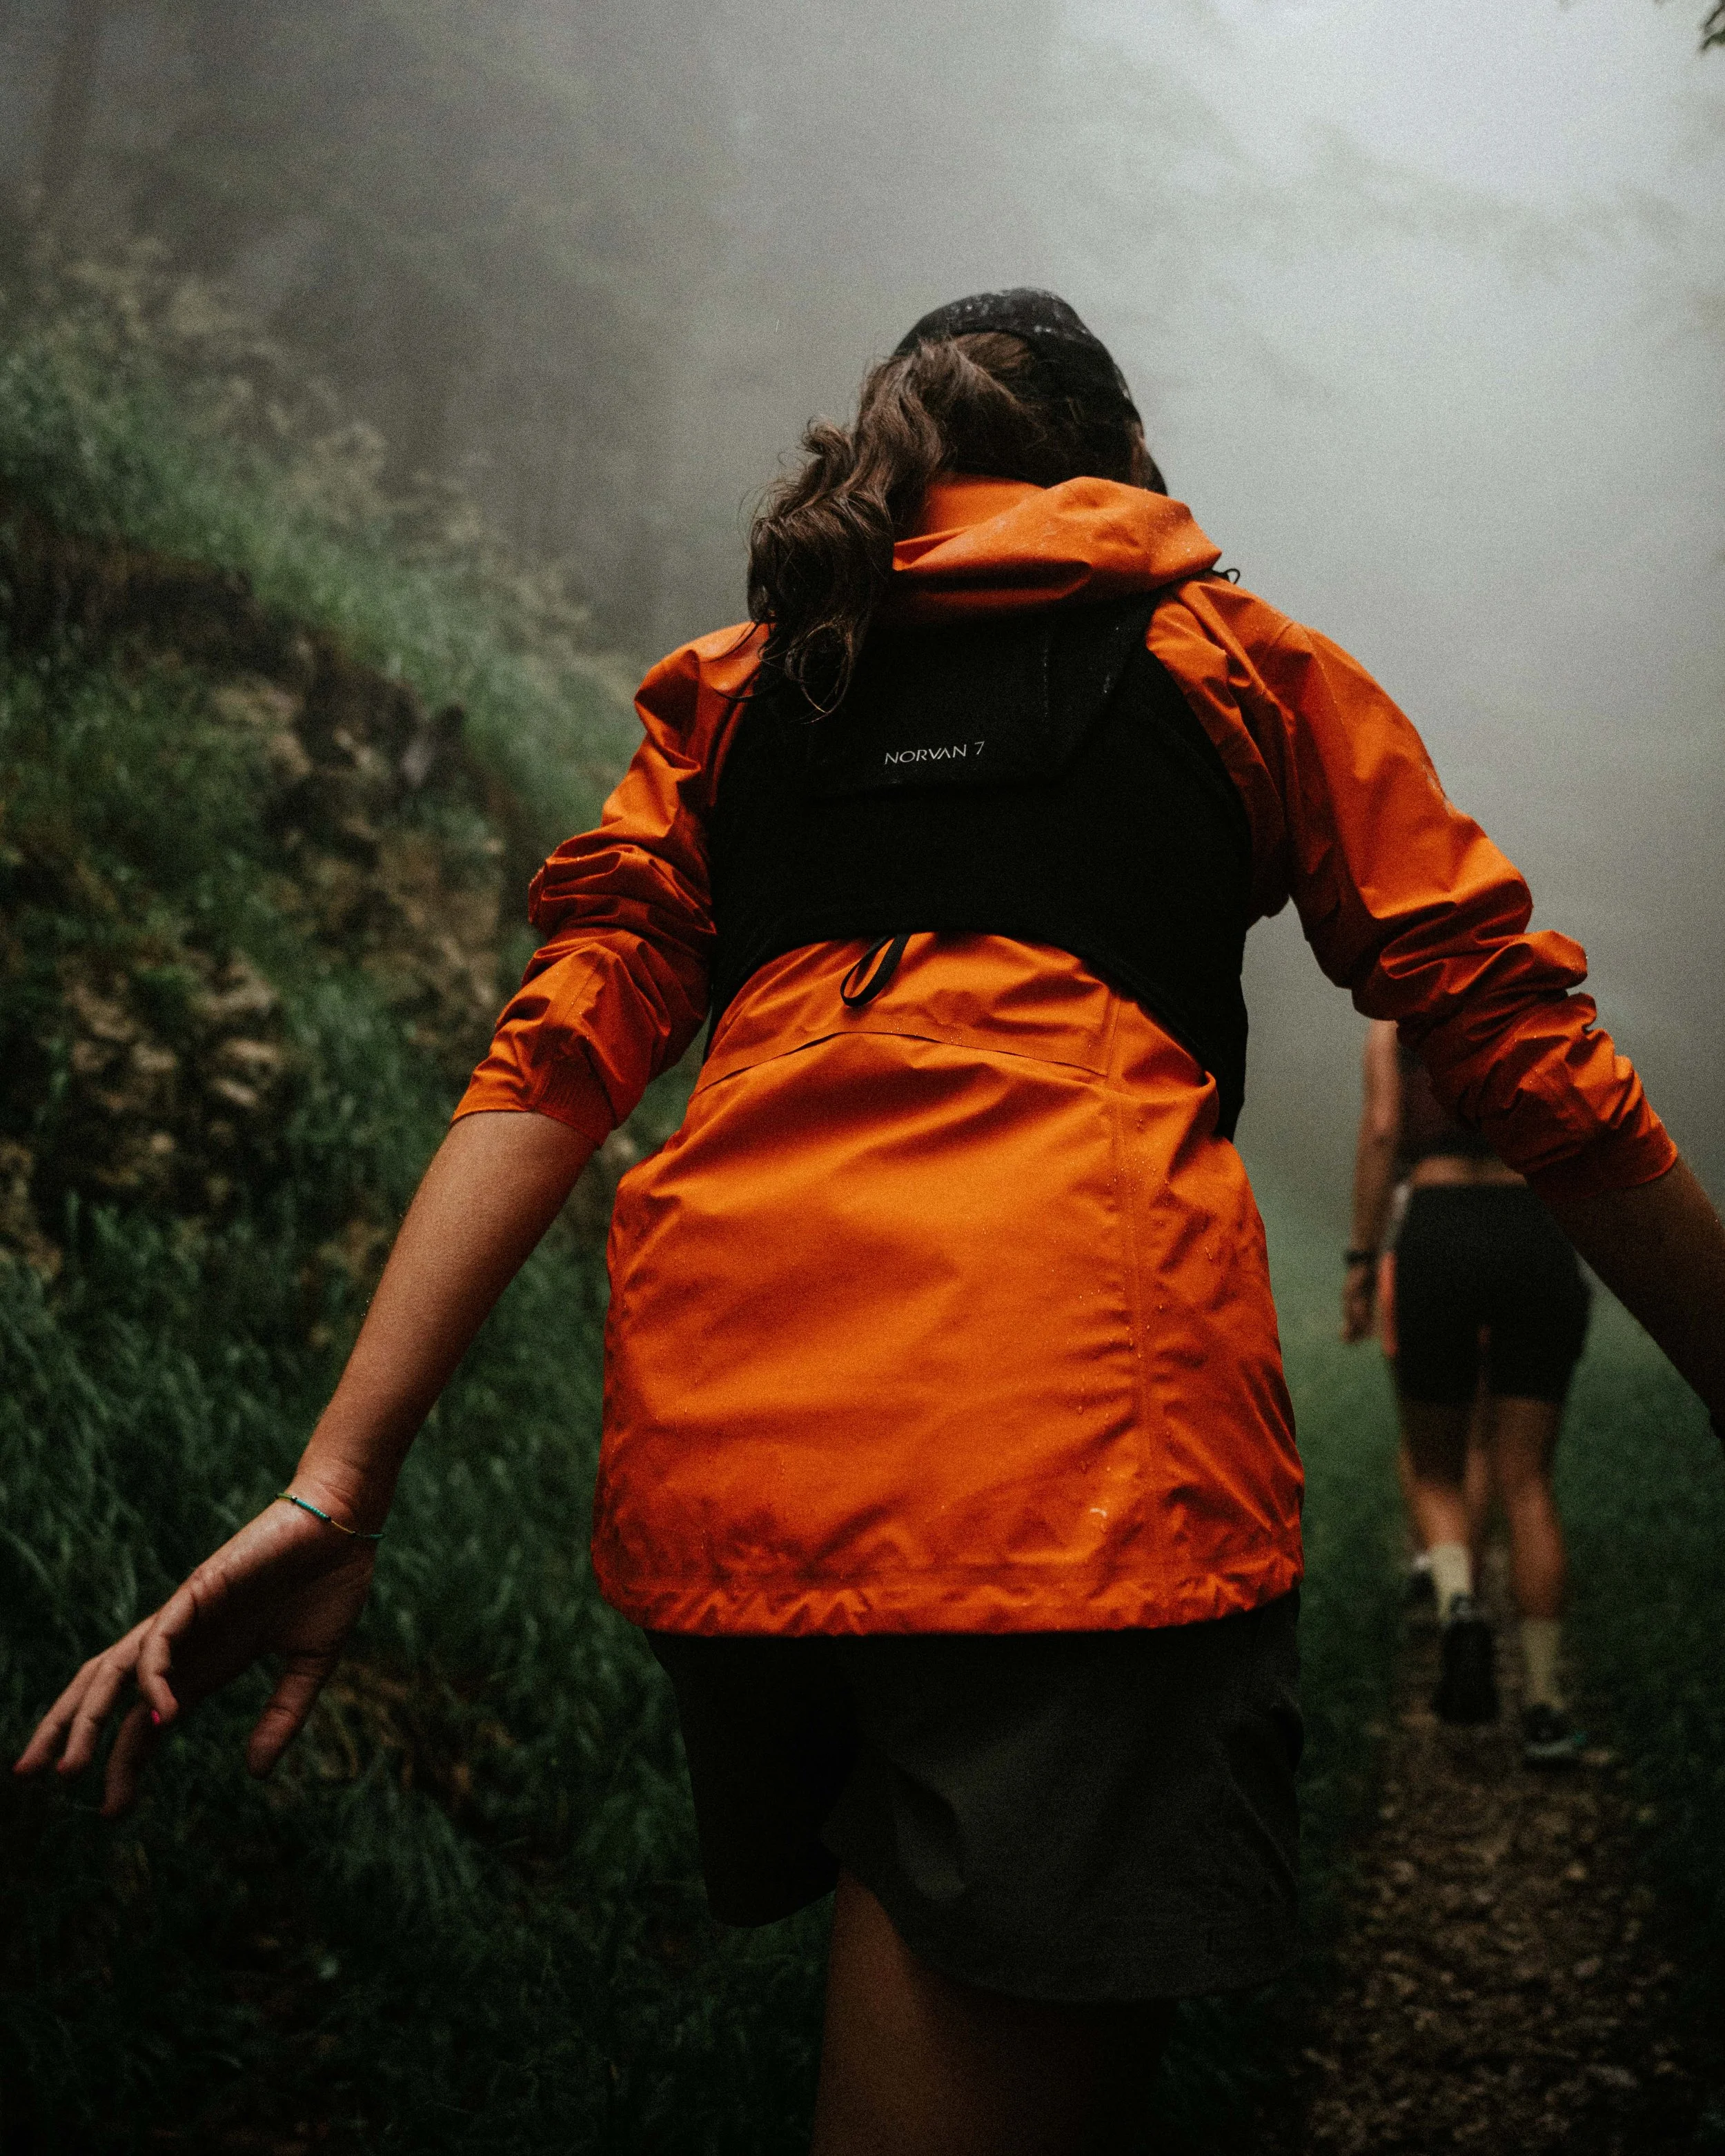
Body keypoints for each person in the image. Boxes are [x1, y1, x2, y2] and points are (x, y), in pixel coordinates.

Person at [19, 290, 1725, 2156]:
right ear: (1121, 465)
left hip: (729, 1470)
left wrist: (337, 1483)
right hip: (1067, 1469)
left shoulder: (736, 695)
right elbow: (1515, 1038)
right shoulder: (1236, 662)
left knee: (906, 1968)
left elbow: (551, 1066)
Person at [1344, 1020, 1593, 1761]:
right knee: (1528, 1482)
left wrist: (1361, 1259)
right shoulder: (1531, 1005)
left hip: (1438, 1230)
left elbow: (1382, 1131)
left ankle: (1459, 1608)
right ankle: (1545, 1707)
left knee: (1435, 1470)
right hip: (1533, 1229)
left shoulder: (1395, 1022)